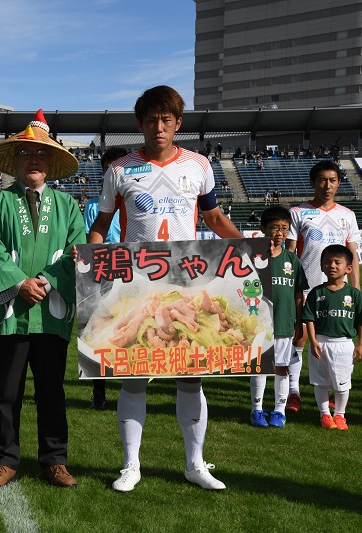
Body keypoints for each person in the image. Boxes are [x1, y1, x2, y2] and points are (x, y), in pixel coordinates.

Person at [89, 85, 241, 492]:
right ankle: (130, 466)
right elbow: (101, 225)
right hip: (136, 285)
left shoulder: (199, 165)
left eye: (166, 120)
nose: (159, 127)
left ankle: (195, 464)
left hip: (187, 282)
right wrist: (91, 255)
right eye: (152, 120)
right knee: (134, 377)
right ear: (140, 124)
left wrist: (249, 249)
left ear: (178, 124)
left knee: (191, 377)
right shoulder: (119, 170)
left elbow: (213, 217)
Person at [0, 109, 84, 489]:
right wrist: (20, 283)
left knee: (52, 390)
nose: (34, 160)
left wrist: (46, 282)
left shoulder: (69, 207)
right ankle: (4, 460)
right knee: (7, 392)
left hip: (51, 314)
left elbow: (76, 253)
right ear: (16, 160)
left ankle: (55, 460)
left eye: (41, 154)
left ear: (51, 162)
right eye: (26, 153)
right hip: (11, 312)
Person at [285, 160, 360, 413]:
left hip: (338, 291)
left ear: (339, 183)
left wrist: (356, 288)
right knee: (300, 337)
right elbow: (291, 253)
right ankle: (293, 392)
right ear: (313, 183)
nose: (327, 185)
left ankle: (328, 391)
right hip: (306, 287)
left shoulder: (347, 215)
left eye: (332, 180)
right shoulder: (298, 212)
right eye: (322, 180)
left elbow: (353, 255)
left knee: (331, 339)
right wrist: (291, 287)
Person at [249, 207, 308, 428]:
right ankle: (256, 410)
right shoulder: (254, 258)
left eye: (284, 228)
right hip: (258, 325)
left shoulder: (292, 260)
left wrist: (299, 323)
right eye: (274, 228)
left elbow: (298, 295)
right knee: (260, 367)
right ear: (263, 229)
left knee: (281, 367)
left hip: (284, 324)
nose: (280, 233)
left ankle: (279, 411)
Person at [82, 146, 127, 410]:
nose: (112, 174)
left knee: (130, 328)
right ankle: (99, 393)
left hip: (132, 273)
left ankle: (130, 392)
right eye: (107, 170)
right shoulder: (92, 206)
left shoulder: (136, 203)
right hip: (103, 273)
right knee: (99, 329)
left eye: (117, 169)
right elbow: (89, 241)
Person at [302, 244, 362, 430]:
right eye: (327, 262)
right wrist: (313, 340)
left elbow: (360, 321)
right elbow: (309, 318)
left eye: (337, 262)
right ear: (321, 267)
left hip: (344, 344)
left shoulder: (354, 294)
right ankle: (325, 415)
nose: (332, 266)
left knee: (342, 384)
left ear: (348, 268)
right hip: (321, 342)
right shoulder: (316, 292)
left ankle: (340, 415)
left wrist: (360, 344)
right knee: (321, 381)